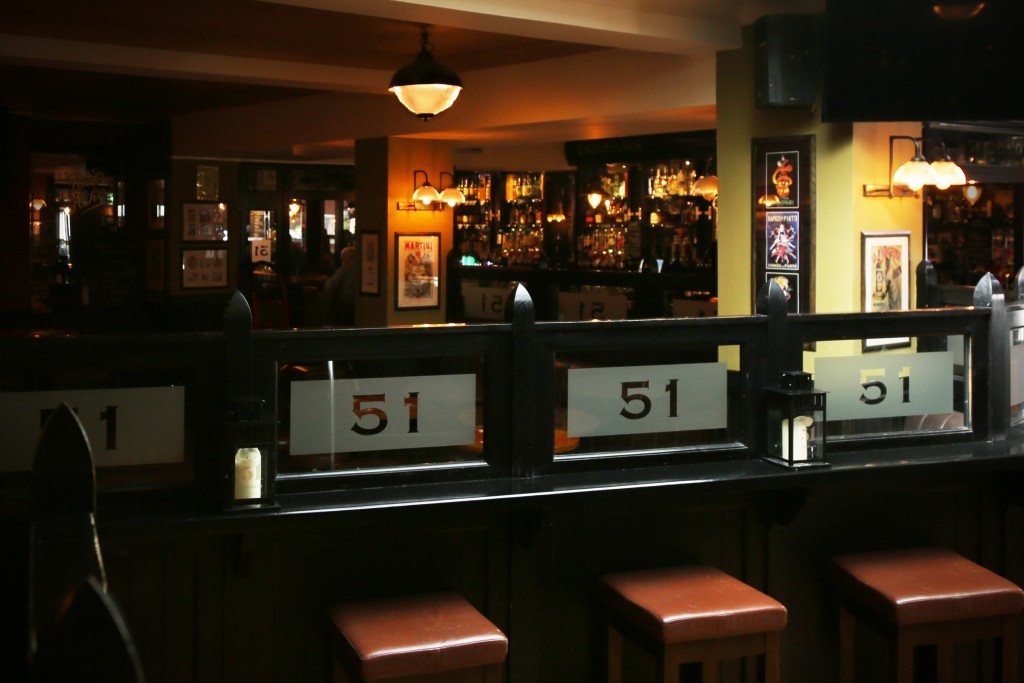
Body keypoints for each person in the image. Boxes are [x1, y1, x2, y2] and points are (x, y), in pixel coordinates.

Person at [324, 246, 356, 325]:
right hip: (359, 308)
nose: (342, 263)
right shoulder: (362, 265)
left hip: (348, 307)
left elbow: (329, 287)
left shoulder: (346, 268)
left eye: (343, 260)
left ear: (350, 258)